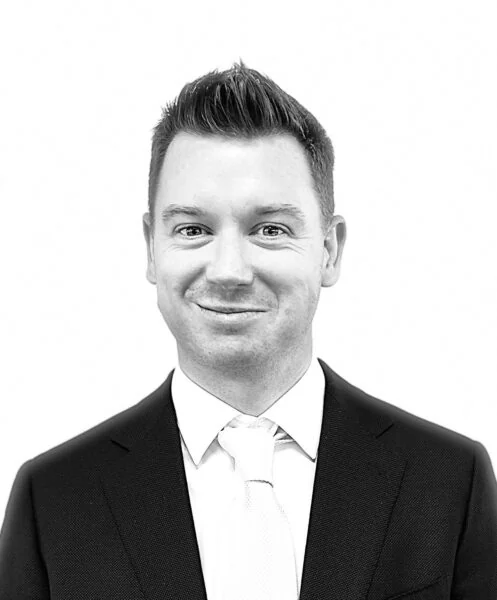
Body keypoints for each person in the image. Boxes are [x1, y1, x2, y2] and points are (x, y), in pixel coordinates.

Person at [0, 61, 496, 600]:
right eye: (193, 229)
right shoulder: (53, 501)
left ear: (329, 251)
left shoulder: (449, 483)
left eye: (270, 229)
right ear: (151, 248)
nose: (229, 270)